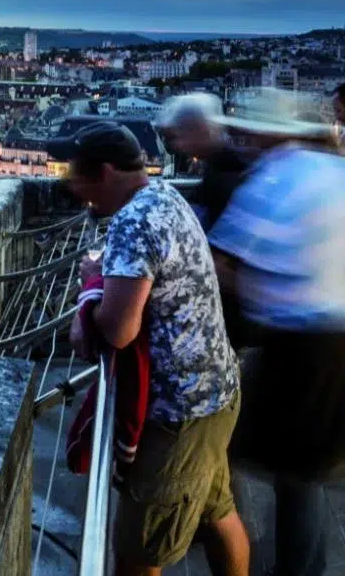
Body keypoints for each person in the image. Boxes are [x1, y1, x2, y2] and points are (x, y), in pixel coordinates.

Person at [54, 121, 248, 576]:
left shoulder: (132, 221)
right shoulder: (165, 197)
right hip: (217, 392)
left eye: (76, 176)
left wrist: (90, 285)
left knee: (138, 555)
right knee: (220, 513)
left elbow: (118, 330)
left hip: (177, 415)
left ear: (103, 173)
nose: (73, 189)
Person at [204, 88, 345, 576]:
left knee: (252, 455)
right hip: (331, 339)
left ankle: (243, 543)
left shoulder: (274, 178)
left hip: (300, 346)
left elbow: (219, 263)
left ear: (265, 134)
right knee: (308, 471)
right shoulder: (332, 169)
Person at [156, 93, 248, 228]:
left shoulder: (226, 174)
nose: (177, 145)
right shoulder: (222, 164)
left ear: (200, 129)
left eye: (179, 135)